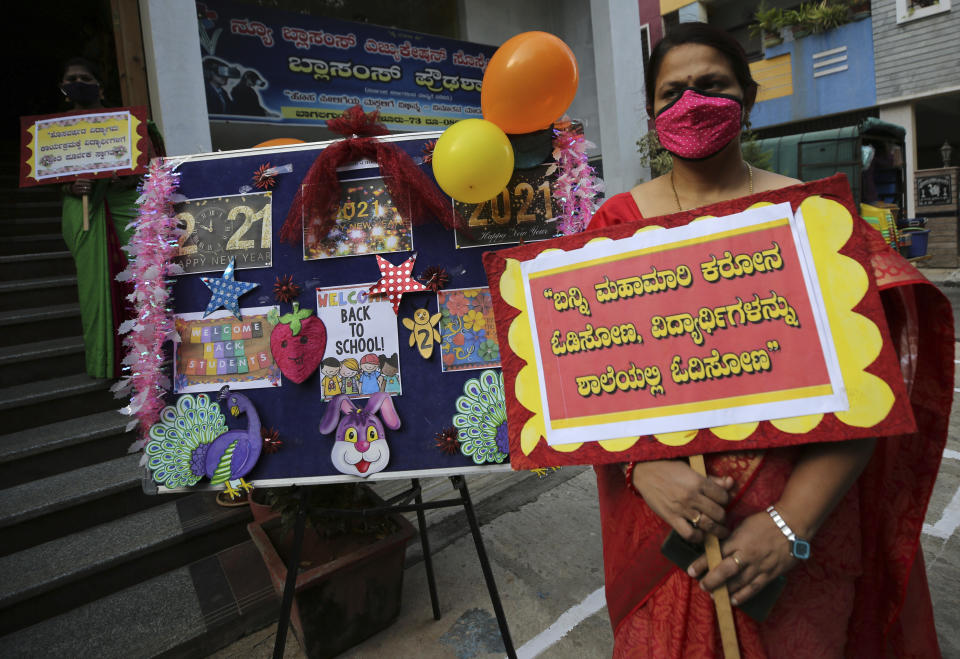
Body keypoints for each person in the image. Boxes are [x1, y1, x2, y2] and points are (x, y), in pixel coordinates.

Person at [588, 23, 948, 657]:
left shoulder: (814, 219)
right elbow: (584, 384)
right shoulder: (618, 226)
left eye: (712, 86)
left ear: (748, 100)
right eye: (672, 93)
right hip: (669, 536)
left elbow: (872, 397)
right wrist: (643, 467)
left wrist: (789, 524)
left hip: (797, 548)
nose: (691, 103)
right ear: (650, 114)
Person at [60, 57, 164, 379]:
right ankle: (106, 365)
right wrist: (71, 185)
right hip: (85, 210)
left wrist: (133, 177)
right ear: (64, 89)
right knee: (94, 292)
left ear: (100, 86)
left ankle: (152, 361)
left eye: (85, 77)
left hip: (125, 206)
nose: (78, 82)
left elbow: (155, 163)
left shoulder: (127, 123)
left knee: (140, 279)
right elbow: (49, 173)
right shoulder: (54, 130)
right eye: (71, 78)